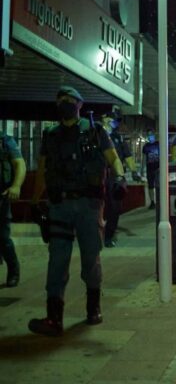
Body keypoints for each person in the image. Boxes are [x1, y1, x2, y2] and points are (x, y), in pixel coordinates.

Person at [28, 86, 127, 336]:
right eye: (60, 99)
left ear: (80, 104)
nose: (64, 102)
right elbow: (42, 170)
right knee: (57, 260)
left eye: (69, 99)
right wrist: (34, 200)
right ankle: (54, 318)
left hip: (88, 205)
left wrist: (120, 177)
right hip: (59, 206)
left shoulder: (94, 130)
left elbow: (113, 157)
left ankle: (93, 309)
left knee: (90, 258)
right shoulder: (50, 135)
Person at [101, 111, 141, 247]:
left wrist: (134, 171)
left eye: (117, 121)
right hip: (97, 175)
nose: (116, 123)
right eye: (114, 120)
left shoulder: (118, 138)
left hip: (114, 177)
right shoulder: (95, 135)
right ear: (105, 119)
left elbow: (128, 156)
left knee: (115, 207)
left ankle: (108, 236)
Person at [0, 132, 26, 287]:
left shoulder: (5, 141)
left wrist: (16, 186)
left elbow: (19, 163)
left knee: (2, 237)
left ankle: (13, 269)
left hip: (1, 196)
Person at [141, 129, 160, 209]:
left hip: (158, 168)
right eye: (148, 135)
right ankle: (152, 201)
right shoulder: (146, 146)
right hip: (150, 168)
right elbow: (144, 158)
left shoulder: (158, 144)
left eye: (151, 134)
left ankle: (159, 201)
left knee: (159, 185)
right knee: (151, 186)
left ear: (154, 135)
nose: (150, 136)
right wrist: (142, 169)